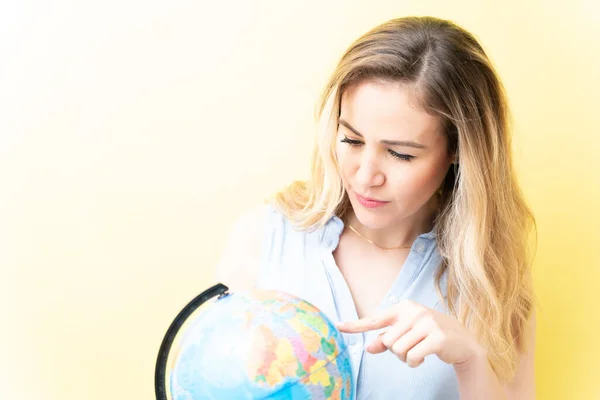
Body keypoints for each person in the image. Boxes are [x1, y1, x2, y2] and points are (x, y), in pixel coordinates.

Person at [214, 16, 536, 400]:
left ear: (457, 153)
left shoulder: (491, 278)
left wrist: (471, 360)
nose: (366, 176)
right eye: (351, 139)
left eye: (400, 154)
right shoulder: (264, 238)